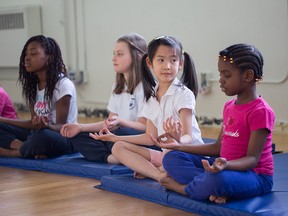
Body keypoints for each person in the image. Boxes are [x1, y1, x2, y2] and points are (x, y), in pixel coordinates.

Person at [151, 44, 275, 204]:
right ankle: (211, 187)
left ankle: (185, 188)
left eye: (227, 75)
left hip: (255, 176)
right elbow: (218, 148)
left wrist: (226, 165)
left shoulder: (260, 111)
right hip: (223, 167)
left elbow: (252, 159)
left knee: (218, 179)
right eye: (220, 74)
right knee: (171, 159)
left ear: (248, 76)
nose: (221, 80)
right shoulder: (229, 106)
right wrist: (177, 146)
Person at [91, 36, 203, 180]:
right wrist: (114, 137)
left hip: (186, 154)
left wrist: (178, 139)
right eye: (161, 60)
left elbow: (188, 136)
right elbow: (150, 137)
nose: (167, 66)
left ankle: (159, 170)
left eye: (173, 60)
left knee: (170, 158)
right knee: (118, 147)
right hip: (166, 154)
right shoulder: (151, 97)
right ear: (149, 62)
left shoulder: (184, 94)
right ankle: (159, 175)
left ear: (180, 63)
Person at [60, 33, 147, 164]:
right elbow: (109, 123)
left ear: (137, 57)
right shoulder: (117, 87)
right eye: (114, 54)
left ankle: (117, 154)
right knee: (78, 136)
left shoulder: (145, 88)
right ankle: (113, 158)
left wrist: (120, 122)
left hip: (132, 137)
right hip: (117, 136)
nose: (114, 58)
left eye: (120, 54)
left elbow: (144, 127)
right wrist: (80, 127)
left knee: (120, 133)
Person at [0, 35, 77, 159]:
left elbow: (62, 126)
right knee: (36, 135)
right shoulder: (33, 86)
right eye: (26, 54)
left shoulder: (63, 84)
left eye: (33, 54)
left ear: (49, 58)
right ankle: (26, 147)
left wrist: (46, 126)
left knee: (41, 136)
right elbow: (32, 123)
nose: (27, 58)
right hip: (38, 133)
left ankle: (11, 152)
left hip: (63, 136)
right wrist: (3, 120)